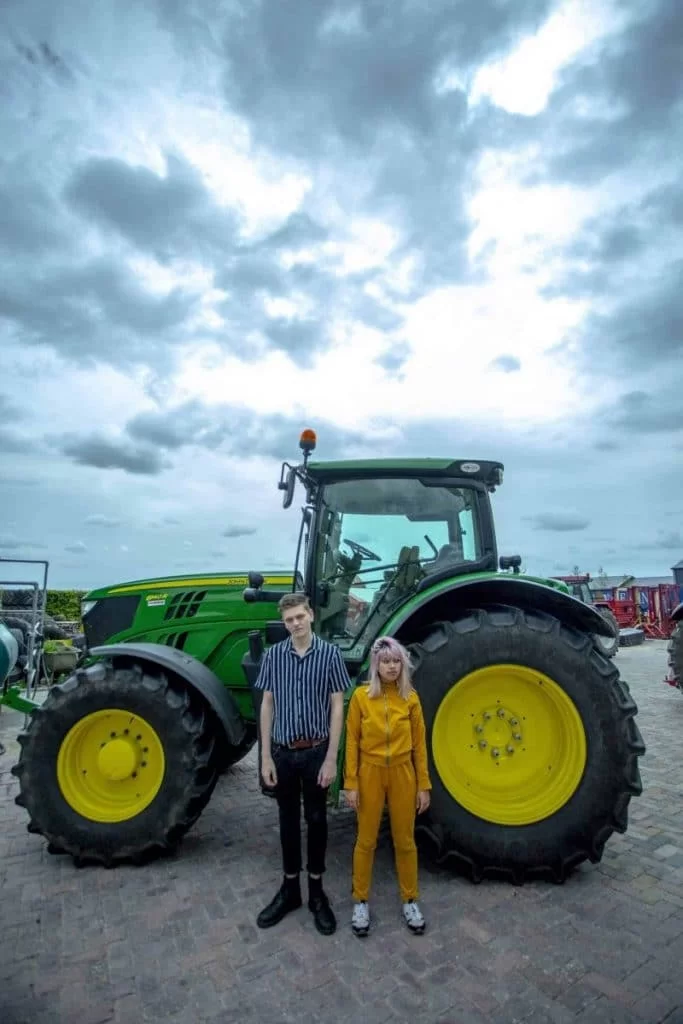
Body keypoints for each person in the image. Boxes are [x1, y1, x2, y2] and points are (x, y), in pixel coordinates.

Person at [254, 592, 351, 935]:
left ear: (310, 614)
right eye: (289, 619)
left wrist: (331, 758)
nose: (295, 623)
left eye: (299, 616)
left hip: (315, 752)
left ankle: (317, 893)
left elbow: (337, 706)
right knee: (287, 821)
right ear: (284, 623)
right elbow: (267, 704)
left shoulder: (330, 655)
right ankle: (290, 889)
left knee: (317, 819)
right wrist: (265, 756)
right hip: (283, 753)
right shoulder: (273, 656)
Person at [343, 635, 431, 936]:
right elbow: (351, 742)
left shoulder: (411, 699)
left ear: (402, 665)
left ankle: (410, 899)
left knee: (405, 840)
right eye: (386, 662)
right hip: (370, 772)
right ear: (376, 665)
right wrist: (351, 783)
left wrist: (423, 785)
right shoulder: (361, 697)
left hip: (403, 773)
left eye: (396, 661)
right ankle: (360, 900)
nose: (391, 667)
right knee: (366, 840)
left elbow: (420, 745)